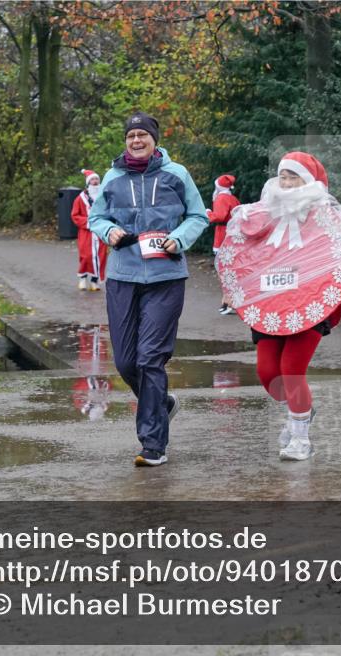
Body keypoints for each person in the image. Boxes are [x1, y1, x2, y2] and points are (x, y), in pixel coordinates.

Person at [216, 152, 341, 461]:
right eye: (282, 175)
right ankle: (301, 410)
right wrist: (234, 287)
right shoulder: (262, 213)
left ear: (308, 182)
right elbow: (244, 253)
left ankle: (301, 440)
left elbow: (338, 248)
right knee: (268, 372)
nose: (285, 182)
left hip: (310, 304)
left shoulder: (325, 214)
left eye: (293, 176)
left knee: (291, 371)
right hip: (270, 305)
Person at [88, 111, 209, 467]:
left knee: (149, 359)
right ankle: (162, 404)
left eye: (143, 135)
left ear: (155, 140)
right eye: (131, 136)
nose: (136, 140)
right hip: (123, 276)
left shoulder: (177, 174)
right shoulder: (112, 177)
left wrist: (178, 239)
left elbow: (198, 215)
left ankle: (153, 445)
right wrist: (108, 231)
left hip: (165, 278)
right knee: (126, 362)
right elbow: (97, 217)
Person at [207, 174, 241, 314]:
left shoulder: (221, 198)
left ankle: (229, 302)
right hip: (234, 235)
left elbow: (219, 216)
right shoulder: (233, 198)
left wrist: (207, 213)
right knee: (232, 269)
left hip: (223, 235)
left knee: (224, 269)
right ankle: (228, 300)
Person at [72, 169, 108, 291]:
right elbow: (75, 215)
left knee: (101, 256)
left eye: (97, 179)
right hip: (86, 232)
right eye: (92, 179)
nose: (95, 181)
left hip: (100, 232)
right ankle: (82, 278)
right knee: (86, 256)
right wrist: (88, 222)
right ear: (88, 182)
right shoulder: (80, 198)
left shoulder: (103, 196)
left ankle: (94, 281)